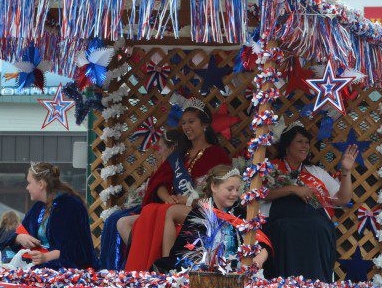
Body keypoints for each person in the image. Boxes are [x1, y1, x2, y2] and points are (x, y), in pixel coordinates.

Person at [124, 103, 231, 271]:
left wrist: (188, 199)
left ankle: (168, 266)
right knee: (132, 218)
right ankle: (144, 264)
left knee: (165, 212)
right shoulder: (180, 154)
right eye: (183, 123)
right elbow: (160, 181)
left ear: (204, 124)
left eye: (191, 121)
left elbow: (222, 191)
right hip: (174, 204)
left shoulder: (217, 154)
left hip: (202, 208)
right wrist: (167, 197)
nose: (186, 127)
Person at [261, 124, 356, 281]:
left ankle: (317, 285)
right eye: (300, 141)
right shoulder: (270, 168)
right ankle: (285, 286)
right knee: (287, 229)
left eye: (307, 142)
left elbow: (343, 199)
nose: (305, 146)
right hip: (281, 223)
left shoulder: (316, 172)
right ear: (287, 146)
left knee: (320, 227)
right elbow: (259, 194)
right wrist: (292, 189)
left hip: (315, 224)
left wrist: (346, 171)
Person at [154, 166, 268, 273]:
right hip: (205, 274)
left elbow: (263, 241)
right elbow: (187, 254)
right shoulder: (199, 215)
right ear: (214, 187)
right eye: (230, 189)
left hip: (238, 272)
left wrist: (260, 257)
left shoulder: (240, 214)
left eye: (237, 190)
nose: (235, 194)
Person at [103, 130, 179, 270]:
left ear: (172, 148)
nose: (157, 151)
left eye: (160, 148)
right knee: (114, 219)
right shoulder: (164, 164)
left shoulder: (174, 165)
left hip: (161, 208)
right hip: (153, 207)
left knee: (119, 221)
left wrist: (168, 197)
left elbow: (161, 186)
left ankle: (138, 258)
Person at [2, 162, 95, 270]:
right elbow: (19, 232)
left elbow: (75, 250)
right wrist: (19, 238)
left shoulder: (70, 206)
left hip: (68, 272)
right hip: (40, 268)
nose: (27, 187)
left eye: (29, 183)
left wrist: (46, 257)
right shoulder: (38, 207)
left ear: (41, 184)